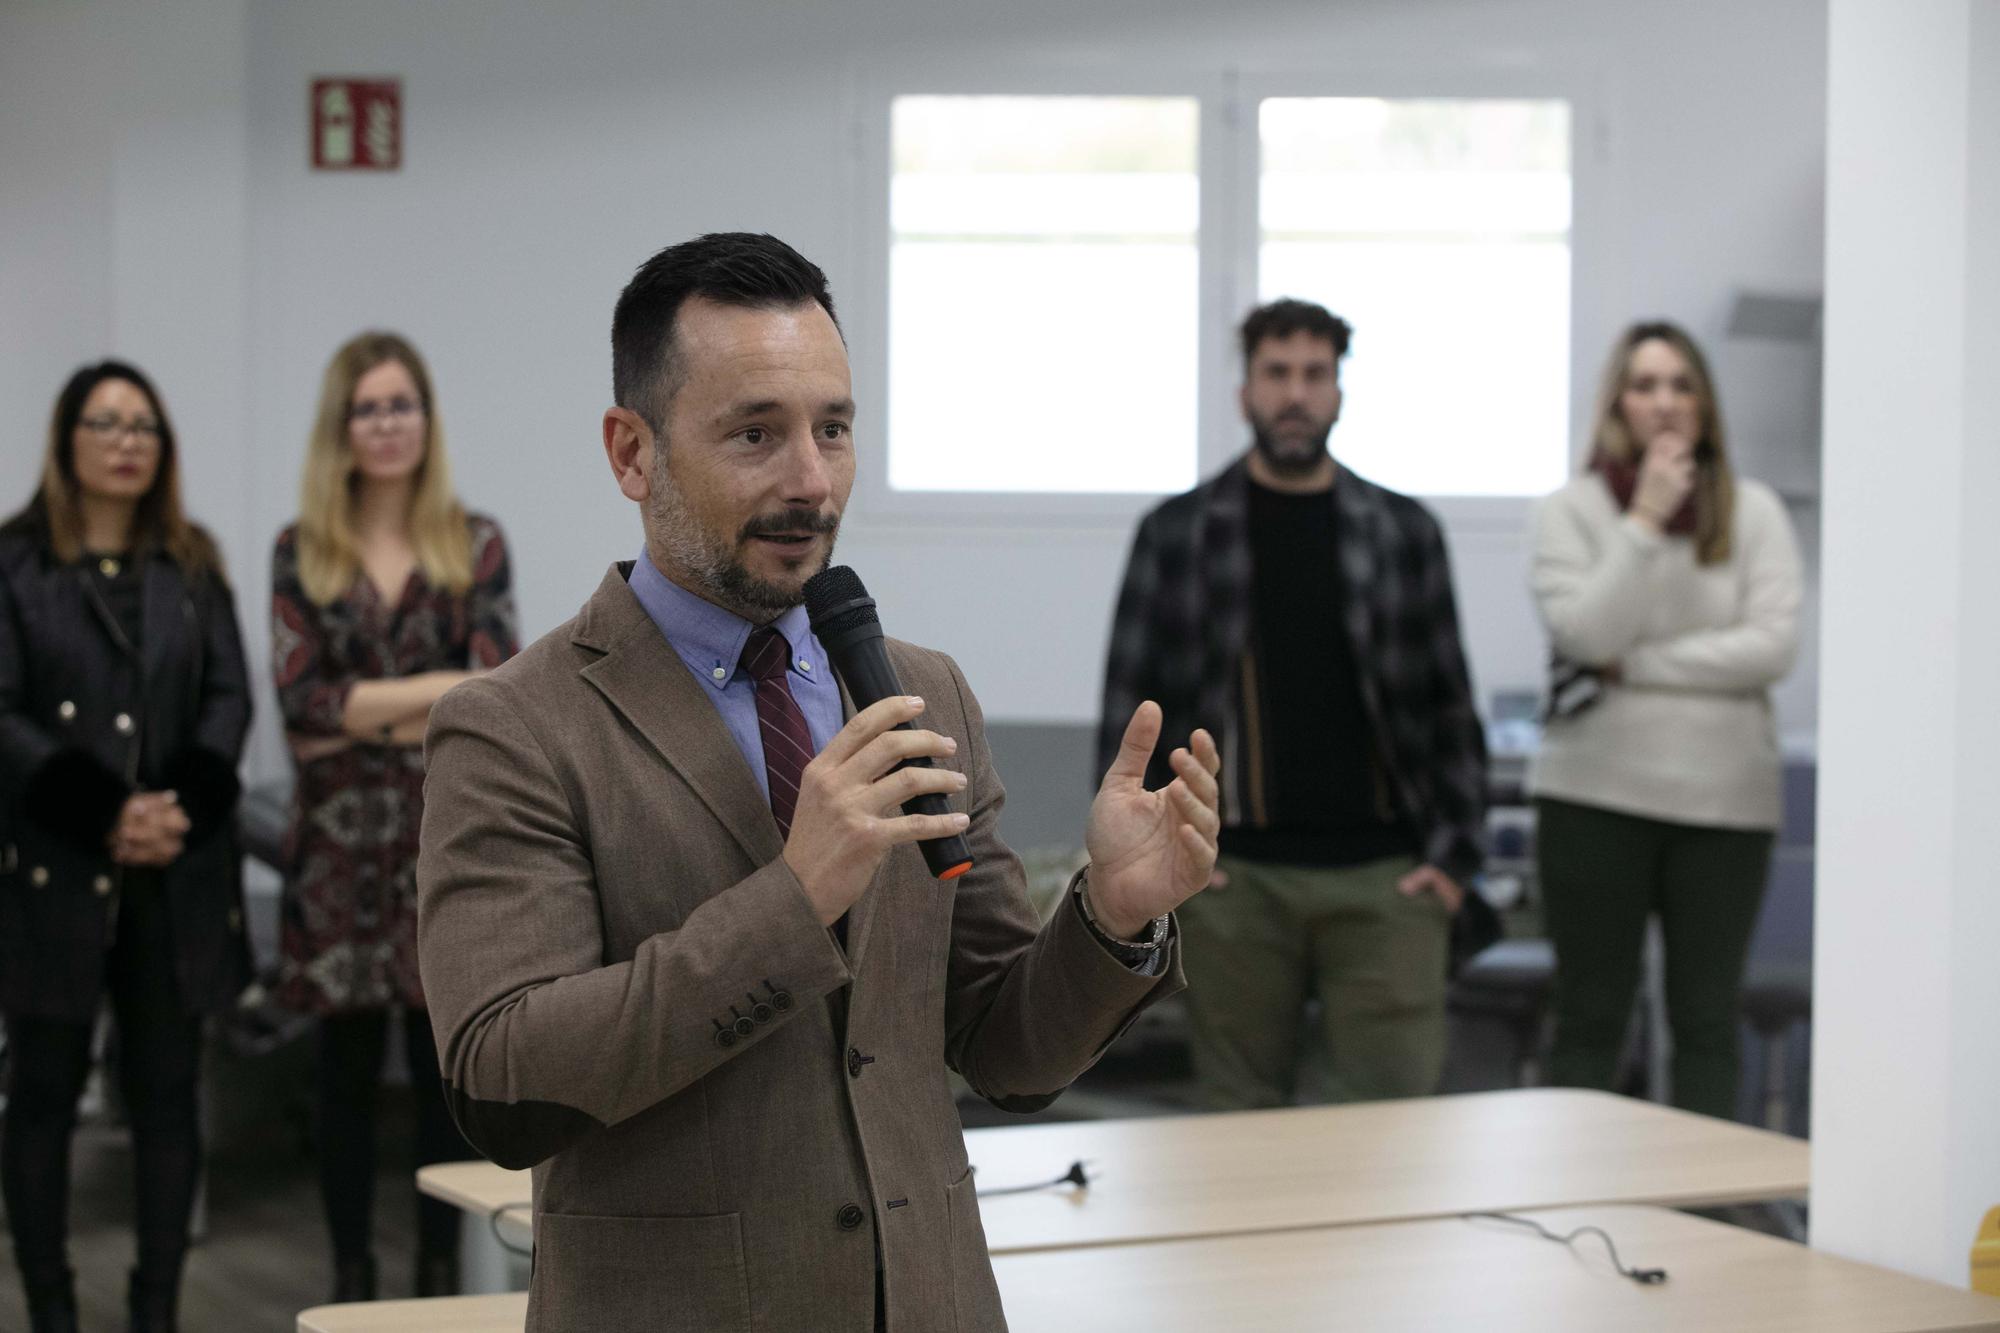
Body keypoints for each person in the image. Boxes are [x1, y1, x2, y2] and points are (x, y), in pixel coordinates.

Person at [415, 232, 1218, 1332]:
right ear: (631, 453)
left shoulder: (918, 689)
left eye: (831, 429)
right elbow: (502, 1084)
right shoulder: (515, 727)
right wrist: (794, 898)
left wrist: (1110, 913)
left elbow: (1004, 1050)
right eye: (756, 433)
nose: (810, 480)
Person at [1100, 297, 1487, 1110]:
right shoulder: (1178, 533)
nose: (1296, 394)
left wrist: (1453, 863)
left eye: (1315, 374)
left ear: (1340, 392)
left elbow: (1449, 703)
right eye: (1277, 373)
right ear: (1245, 391)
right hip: (1233, 880)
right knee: (1238, 1133)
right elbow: (1130, 712)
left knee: (1394, 1133)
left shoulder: (1403, 531)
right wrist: (1166, 864)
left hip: (1387, 878)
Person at [0, 362, 252, 1333]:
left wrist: (178, 804)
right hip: (54, 872)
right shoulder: (16, 563)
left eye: (143, 424)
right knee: (42, 1097)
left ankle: (157, 1311)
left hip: (172, 874)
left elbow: (229, 697)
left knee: (165, 1097)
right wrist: (103, 809)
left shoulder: (191, 562)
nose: (125, 440)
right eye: (105, 423)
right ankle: (53, 1310)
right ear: (67, 441)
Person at [271, 332, 518, 1302]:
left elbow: (489, 693)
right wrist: (430, 691)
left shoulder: (477, 541)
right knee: (337, 1082)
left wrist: (365, 707)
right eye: (366, 408)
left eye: (400, 405)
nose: (385, 424)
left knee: (435, 1074)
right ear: (342, 427)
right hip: (333, 854)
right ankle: (349, 1271)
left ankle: (431, 1278)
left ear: (426, 420)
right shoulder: (300, 549)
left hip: (439, 841)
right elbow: (299, 711)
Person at [1528, 320, 1801, 1119]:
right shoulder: (1568, 513)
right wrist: (1644, 521)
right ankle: (1578, 1202)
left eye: (1682, 384)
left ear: (1706, 402)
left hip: (1724, 804)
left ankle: (1704, 1220)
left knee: (1707, 1022)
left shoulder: (1754, 512)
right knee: (1590, 1017)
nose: (1665, 402)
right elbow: (1586, 633)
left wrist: (1637, 666)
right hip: (1593, 796)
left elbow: (1771, 647)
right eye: (1645, 384)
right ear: (1618, 399)